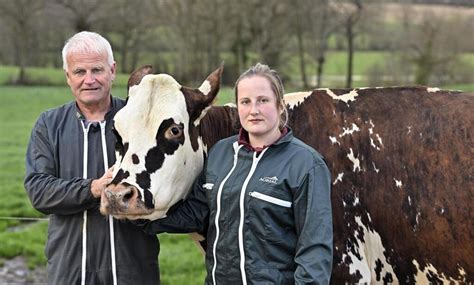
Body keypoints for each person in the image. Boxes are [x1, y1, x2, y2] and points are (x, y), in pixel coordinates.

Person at [141, 63, 333, 284]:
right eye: (246, 102)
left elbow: (315, 249)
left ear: (280, 106)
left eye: (263, 100)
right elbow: (196, 213)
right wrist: (141, 214)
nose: (254, 110)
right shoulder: (221, 153)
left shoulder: (306, 164)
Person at [24, 31, 160, 284]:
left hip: (132, 270)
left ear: (112, 70)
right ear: (67, 76)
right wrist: (95, 188)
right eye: (79, 72)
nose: (89, 80)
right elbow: (39, 191)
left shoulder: (140, 120)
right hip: (69, 270)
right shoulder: (49, 124)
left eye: (97, 70)